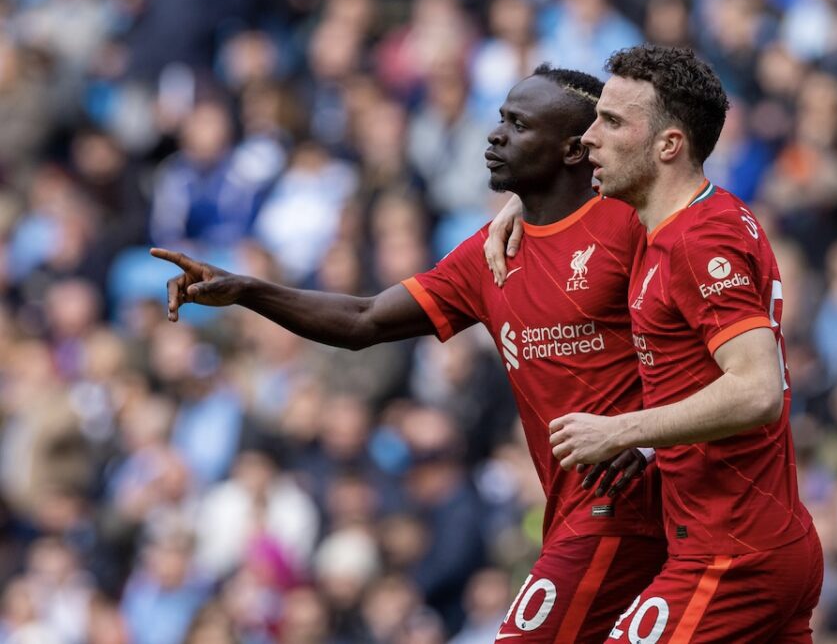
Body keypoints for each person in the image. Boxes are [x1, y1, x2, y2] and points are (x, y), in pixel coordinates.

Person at [150, 65, 666, 643]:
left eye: (519, 126)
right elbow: (363, 319)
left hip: (632, 506)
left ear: (575, 149)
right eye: (500, 120)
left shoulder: (632, 226)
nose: (495, 136)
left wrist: (640, 435)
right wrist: (249, 290)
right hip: (570, 511)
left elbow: (704, 341)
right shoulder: (489, 254)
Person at [487, 44, 822, 642]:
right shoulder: (676, 224)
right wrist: (523, 198)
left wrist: (621, 431)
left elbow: (758, 389)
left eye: (612, 122)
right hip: (753, 541)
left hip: (731, 554)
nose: (589, 138)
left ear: (669, 145)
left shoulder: (698, 241)